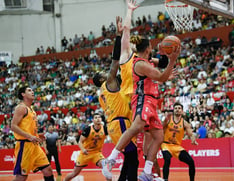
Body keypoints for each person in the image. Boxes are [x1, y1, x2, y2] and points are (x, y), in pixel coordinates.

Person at [102, 31, 180, 181]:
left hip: (152, 101)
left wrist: (166, 57)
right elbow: (162, 77)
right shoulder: (140, 63)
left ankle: (147, 172)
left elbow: (162, 68)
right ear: (148, 48)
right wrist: (172, 61)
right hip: (142, 99)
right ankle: (110, 159)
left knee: (158, 136)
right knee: (137, 127)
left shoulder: (148, 61)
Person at [93, 2, 139, 180]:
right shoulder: (109, 82)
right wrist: (119, 36)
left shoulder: (107, 89)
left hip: (117, 123)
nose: (106, 72)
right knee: (133, 158)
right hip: (119, 123)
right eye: (102, 73)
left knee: (129, 159)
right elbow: (115, 61)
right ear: (101, 79)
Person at [11, 86, 54, 181]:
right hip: (24, 145)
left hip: (35, 145)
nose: (33, 92)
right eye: (29, 90)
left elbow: (28, 128)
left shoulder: (32, 110)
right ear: (23, 94)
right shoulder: (21, 108)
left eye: (32, 90)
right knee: (21, 177)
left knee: (48, 170)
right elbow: (13, 126)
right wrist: (30, 136)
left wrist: (38, 135)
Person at [64, 113, 111, 181]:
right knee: (74, 173)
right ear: (93, 120)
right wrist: (83, 150)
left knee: (105, 168)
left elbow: (109, 138)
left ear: (101, 119)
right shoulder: (88, 129)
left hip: (96, 153)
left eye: (99, 117)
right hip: (85, 153)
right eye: (96, 117)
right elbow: (80, 142)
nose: (98, 119)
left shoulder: (105, 129)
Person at [161, 102, 198, 181]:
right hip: (166, 144)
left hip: (177, 147)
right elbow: (160, 128)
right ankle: (165, 179)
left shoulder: (185, 123)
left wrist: (193, 139)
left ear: (182, 111)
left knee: (191, 162)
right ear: (173, 110)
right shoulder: (168, 119)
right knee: (167, 159)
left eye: (179, 108)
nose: (177, 110)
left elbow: (190, 134)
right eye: (176, 108)